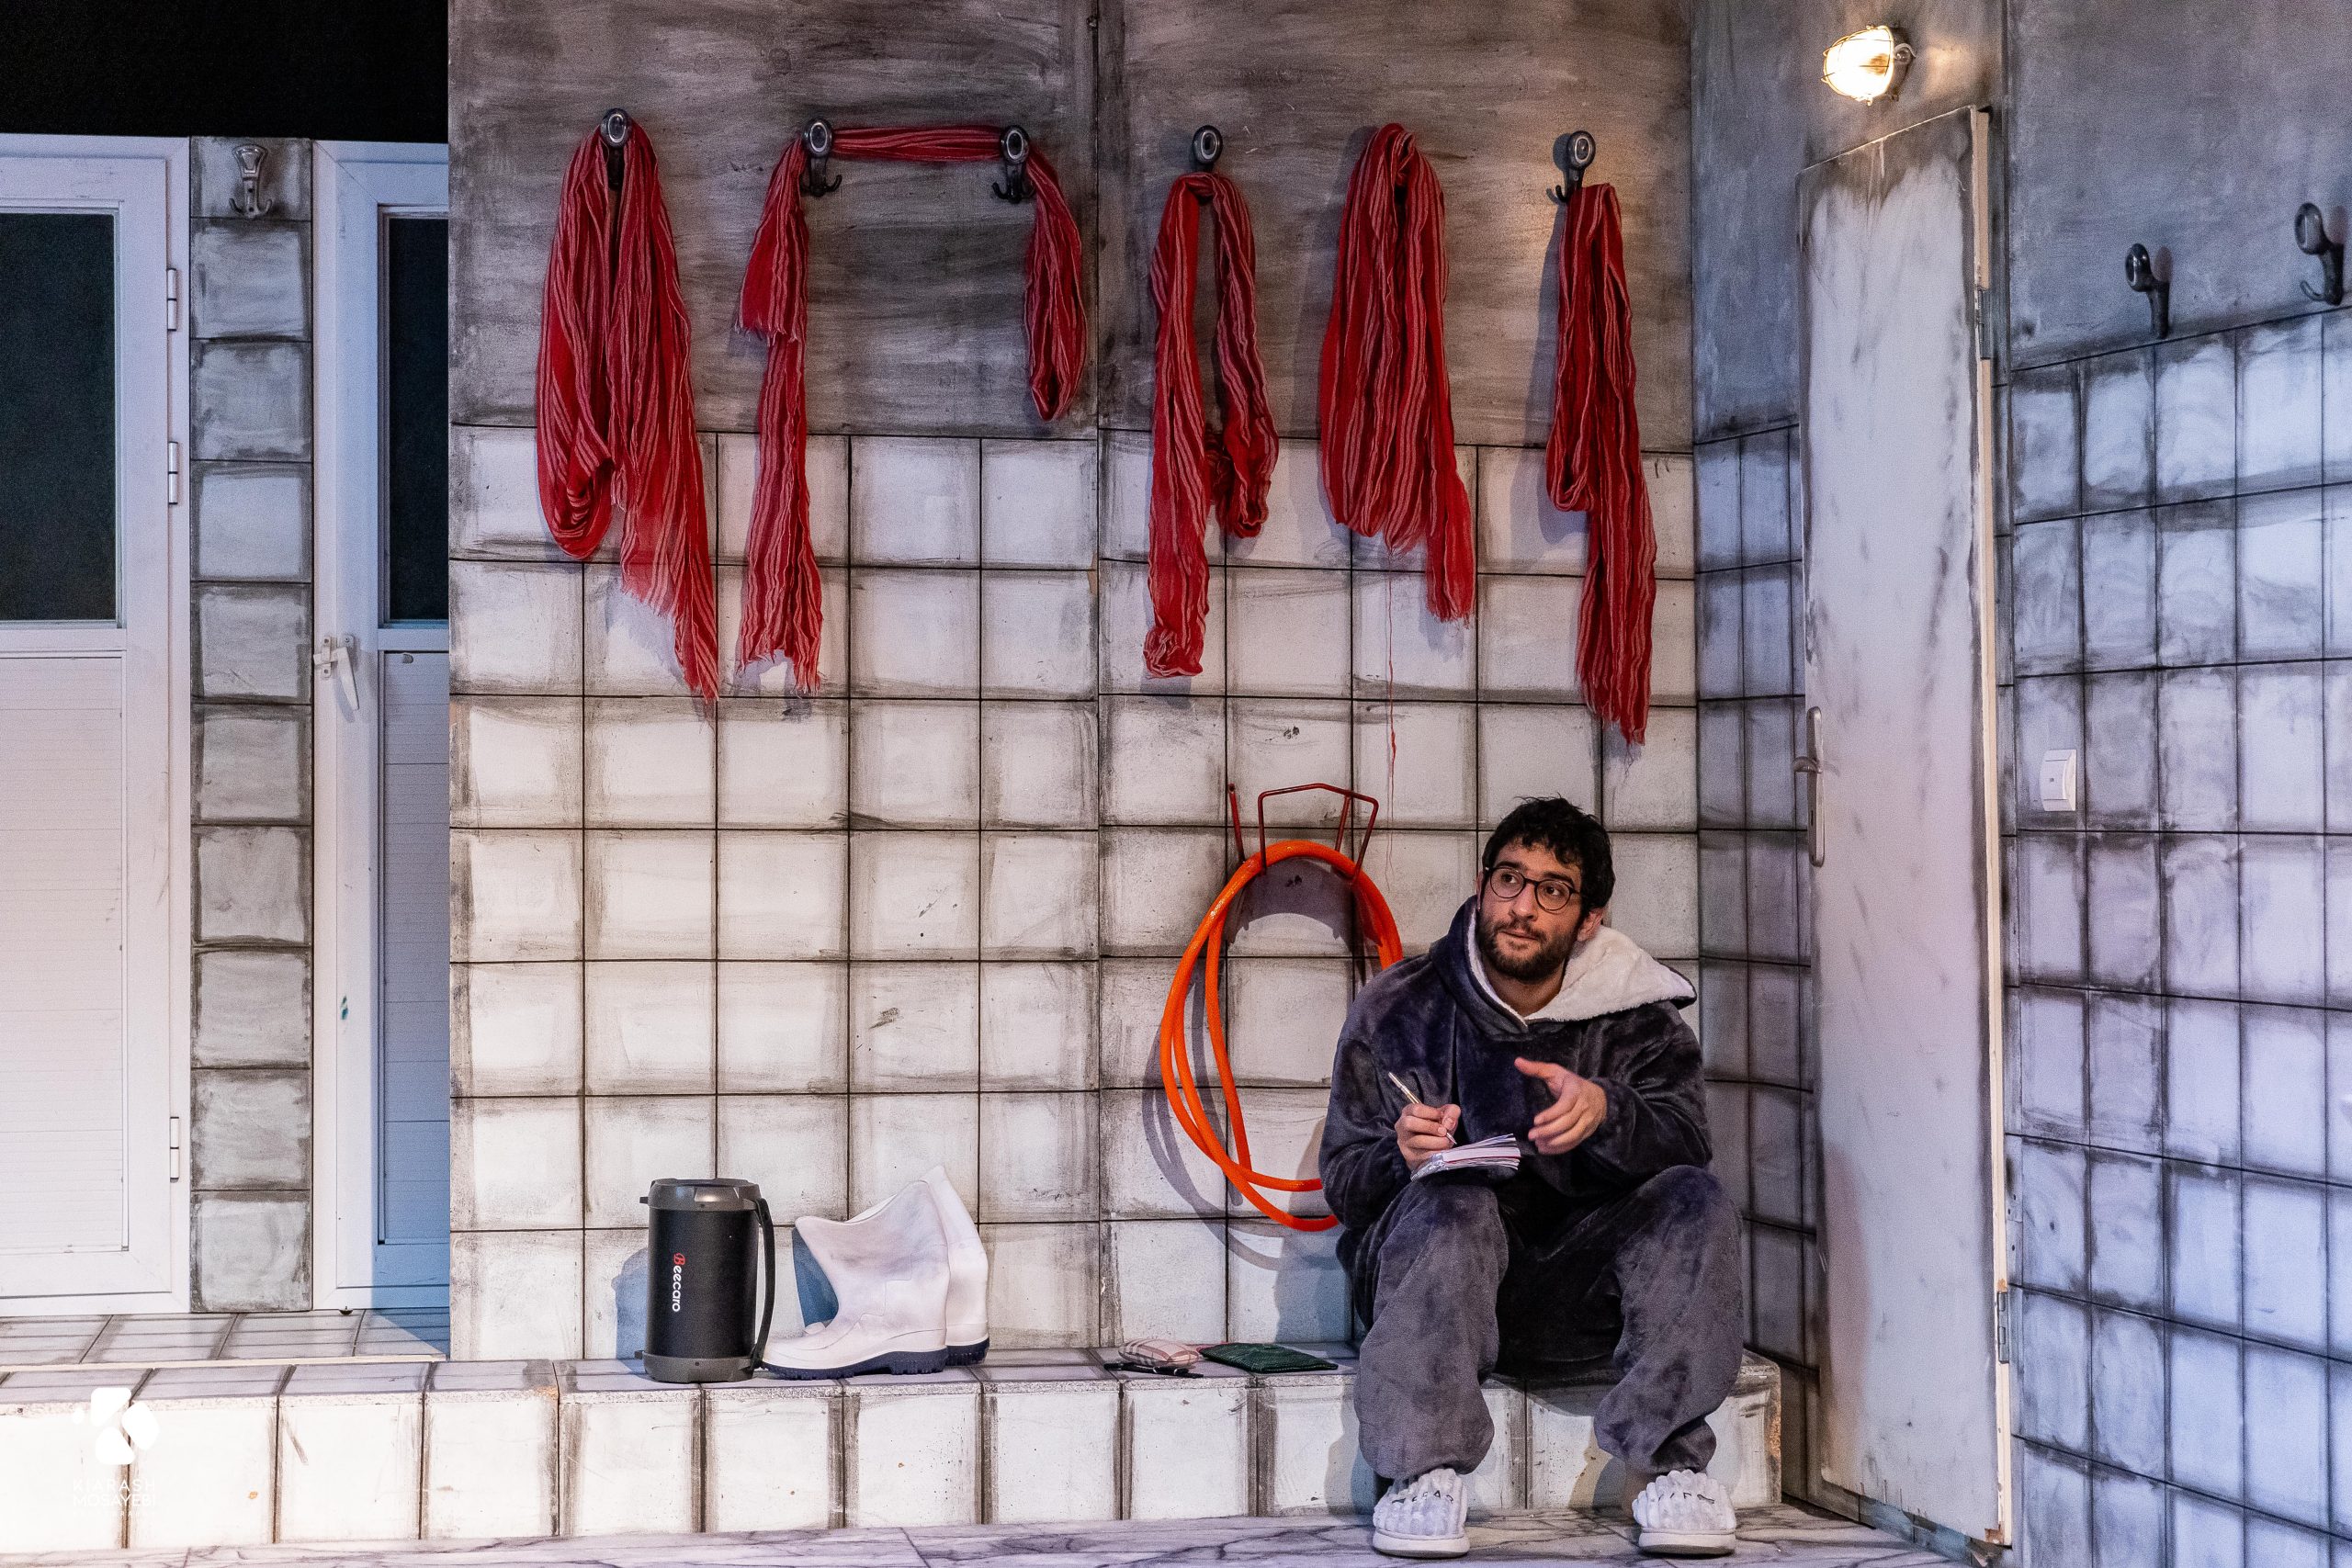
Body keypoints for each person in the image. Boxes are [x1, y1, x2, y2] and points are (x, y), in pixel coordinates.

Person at [1318, 797, 1745, 1560]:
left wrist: (1609, 1112)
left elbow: (1690, 1141)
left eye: (1553, 890)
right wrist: (1398, 1155)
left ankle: (1669, 1464)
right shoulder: (1401, 1007)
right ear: (1482, 885)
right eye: (1509, 879)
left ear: (1588, 920)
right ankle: (1421, 1470)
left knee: (1696, 1199)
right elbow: (1346, 1186)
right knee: (1456, 1199)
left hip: (1581, 1300)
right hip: (1436, 1290)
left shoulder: (1637, 1013)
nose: (1522, 906)